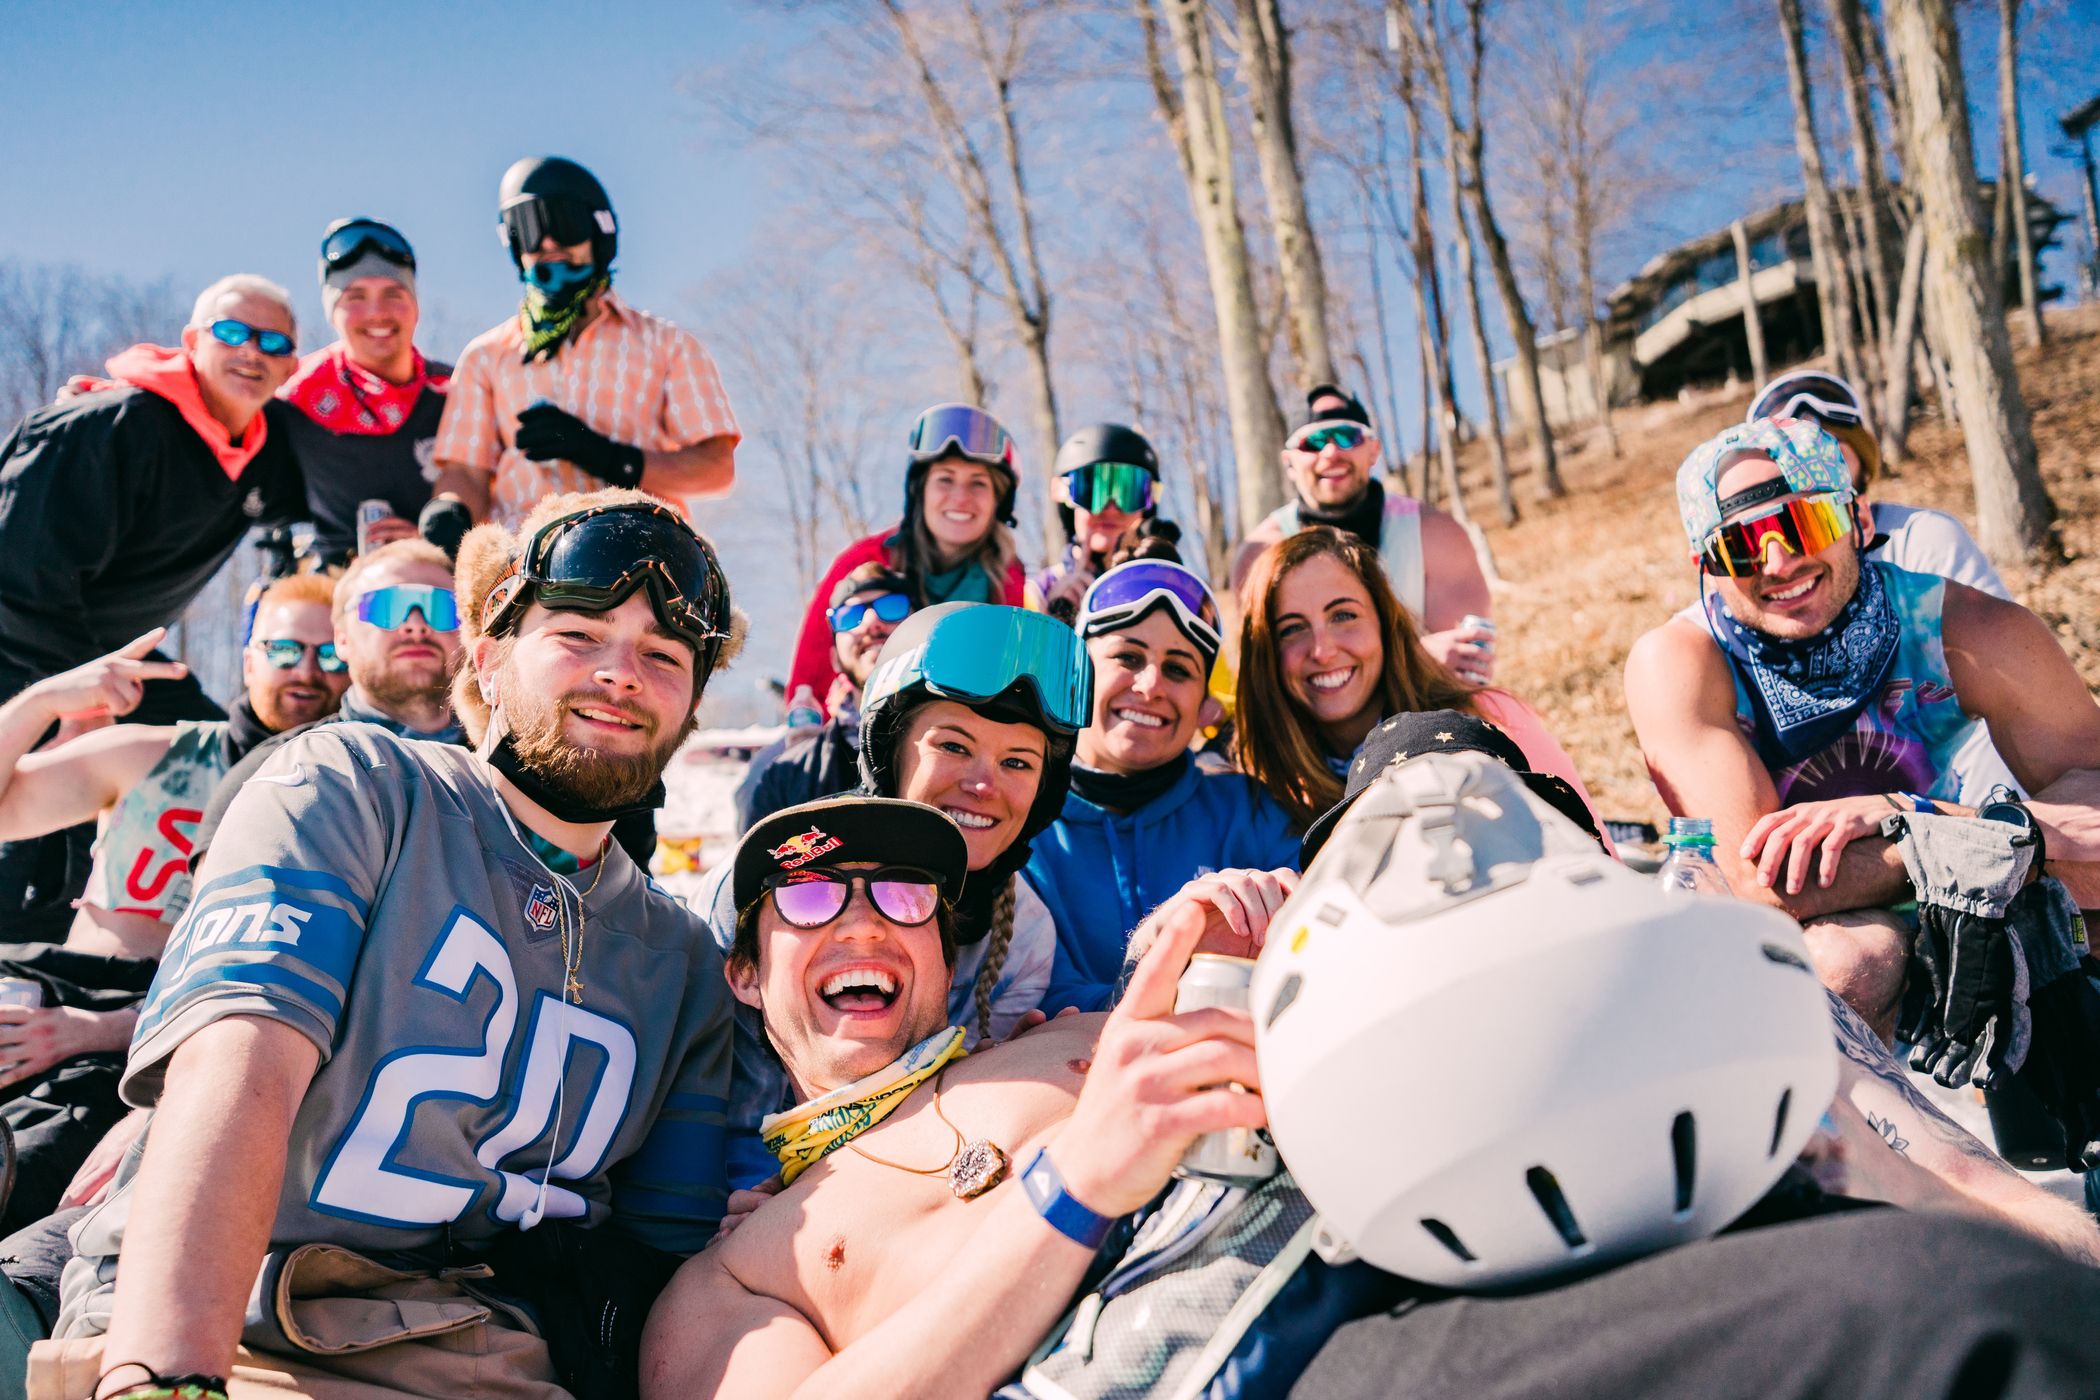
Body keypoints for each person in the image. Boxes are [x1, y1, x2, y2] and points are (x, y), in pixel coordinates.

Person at [639, 778, 2100, 1400]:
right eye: (808, 894)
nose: (866, 915)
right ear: (744, 977)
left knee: (1979, 1284)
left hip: (1445, 1223)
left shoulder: (1072, 1028)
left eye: (902, 888)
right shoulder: (738, 1272)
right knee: (1950, 1324)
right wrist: (1077, 1183)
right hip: (1247, 1361)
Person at [26, 489, 747, 1399]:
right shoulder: (351, 787)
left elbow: (662, 1251)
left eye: (662, 654)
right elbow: (237, 1070)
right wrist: (167, 1374)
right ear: (485, 660)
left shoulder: (682, 959)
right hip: (245, 1326)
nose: (621, 673)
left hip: (493, 1356)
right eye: (578, 635)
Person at [1624, 416, 2100, 1042]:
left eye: (1803, 525)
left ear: (1860, 520)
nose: (1777, 561)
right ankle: (1868, 1138)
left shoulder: (1970, 629)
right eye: (1739, 546)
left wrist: (1904, 813)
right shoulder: (1679, 663)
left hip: (1959, 880)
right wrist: (1971, 839)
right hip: (1827, 928)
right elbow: (1763, 886)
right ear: (1707, 567)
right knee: (1850, 964)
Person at [693, 602, 1082, 1188]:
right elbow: (698, 1101)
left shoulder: (1023, 929)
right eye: (952, 746)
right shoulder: (767, 885)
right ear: (890, 751)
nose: (983, 785)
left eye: (1017, 762)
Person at [0, 579, 342, 1235]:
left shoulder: (352, 804)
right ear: (248, 658)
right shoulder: (160, 755)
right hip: (43, 994)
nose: (305, 670)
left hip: (134, 1061)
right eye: (285, 648)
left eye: (328, 656)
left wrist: (87, 1031)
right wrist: (48, 699)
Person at [0, 275, 308, 939]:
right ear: (193, 341)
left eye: (273, 340)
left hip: (112, 651)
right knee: (33, 823)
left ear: (291, 365)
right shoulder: (106, 427)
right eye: (232, 333)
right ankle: (25, 947)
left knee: (217, 750)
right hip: (21, 643)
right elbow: (16, 576)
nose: (251, 351)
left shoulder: (264, 445)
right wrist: (66, 698)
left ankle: (186, 926)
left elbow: (315, 510)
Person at [1026, 559, 1300, 1013]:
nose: (1150, 685)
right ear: (1074, 677)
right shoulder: (1019, 825)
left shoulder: (1253, 813)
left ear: (1207, 707)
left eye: (1178, 669)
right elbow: (1024, 1000)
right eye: (1128, 658)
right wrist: (1164, 954)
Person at [1747, 369, 2018, 805]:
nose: (1813, 462)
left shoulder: (1922, 537)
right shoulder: (1756, 568)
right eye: (1790, 454)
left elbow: (2006, 676)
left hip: (1963, 788)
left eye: (1831, 446)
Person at [432, 157, 739, 530]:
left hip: (637, 542)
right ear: (515, 244)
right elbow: (465, 471)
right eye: (529, 228)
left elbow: (717, 468)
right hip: (522, 551)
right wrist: (449, 512)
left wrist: (607, 457)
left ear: (599, 233)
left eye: (565, 224)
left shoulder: (667, 346)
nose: (548, 242)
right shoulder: (485, 357)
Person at [1234, 526, 1603, 835]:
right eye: (1292, 629)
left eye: (1344, 615)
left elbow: (1594, 854)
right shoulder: (1260, 791)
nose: (1323, 650)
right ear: (1264, 654)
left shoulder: (1488, 720)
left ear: (1385, 623)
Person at [179, 540, 468, 881]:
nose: (416, 625)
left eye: (442, 607)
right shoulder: (275, 769)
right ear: (343, 639)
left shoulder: (514, 766)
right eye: (388, 606)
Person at [1231, 384, 1493, 683]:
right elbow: (1260, 681)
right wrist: (1415, 657)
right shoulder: (1259, 553)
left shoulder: (1433, 533)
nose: (1330, 452)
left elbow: (1467, 668)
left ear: (1373, 451)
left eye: (1347, 436)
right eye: (1313, 442)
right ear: (1289, 463)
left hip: (1425, 716)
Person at [786, 403, 1028, 717]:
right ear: (920, 491)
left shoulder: (1010, 581)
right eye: (945, 479)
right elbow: (813, 672)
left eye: (978, 483)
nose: (960, 497)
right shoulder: (866, 560)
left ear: (999, 500)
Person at [278, 219, 462, 568]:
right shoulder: (294, 396)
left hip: (440, 582)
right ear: (332, 311)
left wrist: (431, 542)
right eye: (355, 297)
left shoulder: (457, 394)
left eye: (394, 293)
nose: (377, 312)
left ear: (416, 305)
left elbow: (492, 495)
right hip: (331, 586)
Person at [737, 564, 913, 830]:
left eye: (892, 606)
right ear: (835, 659)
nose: (870, 622)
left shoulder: (964, 749)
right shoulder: (786, 777)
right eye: (850, 615)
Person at [1029, 423, 1165, 620]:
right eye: (1092, 492)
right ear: (1067, 500)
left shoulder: (1175, 593)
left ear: (1147, 505)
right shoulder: (1037, 595)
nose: (1110, 508)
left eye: (1128, 493)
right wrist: (1051, 620)